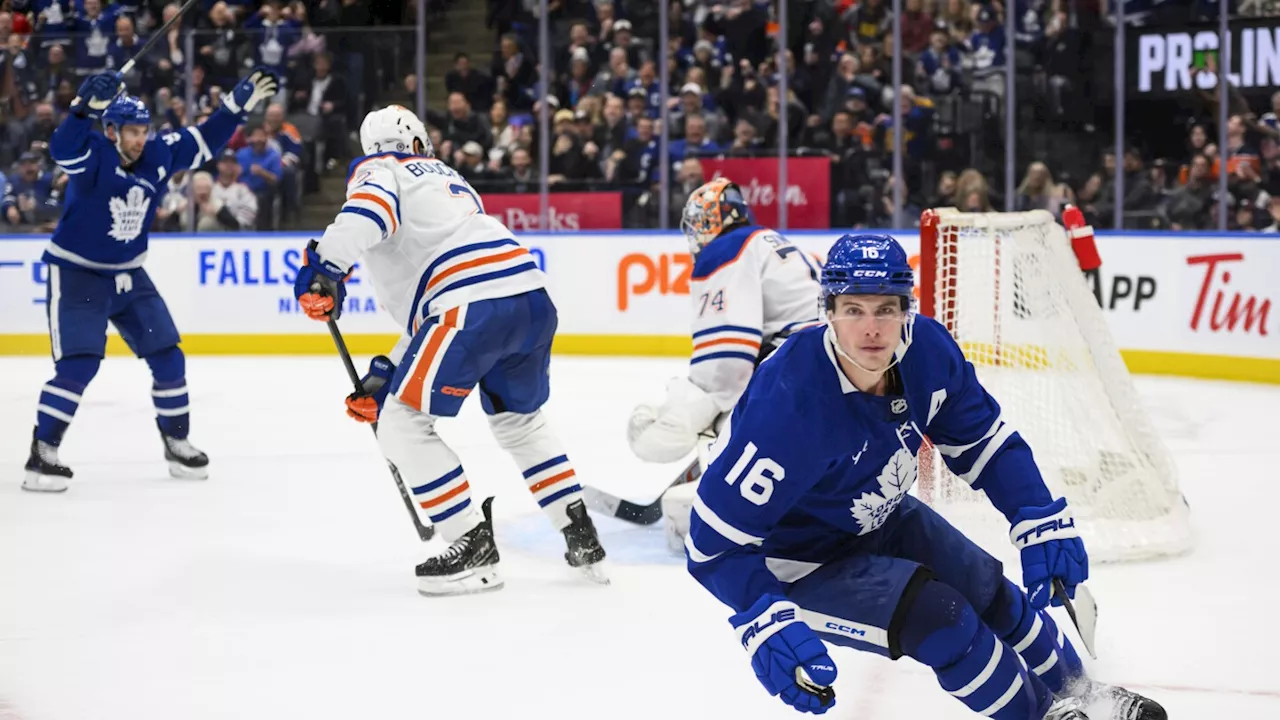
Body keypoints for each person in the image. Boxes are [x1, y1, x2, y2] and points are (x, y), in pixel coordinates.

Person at [683, 234, 1166, 719]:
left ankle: (1087, 696)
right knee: (946, 623)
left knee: (990, 592)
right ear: (827, 311)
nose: (871, 329)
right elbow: (711, 543)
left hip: (879, 514)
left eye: (886, 309)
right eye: (853, 310)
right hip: (800, 563)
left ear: (906, 309)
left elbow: (986, 444)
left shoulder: (928, 353)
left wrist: (1035, 514)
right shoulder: (788, 403)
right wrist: (761, 617)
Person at [292, 105, 607, 596]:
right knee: (520, 423)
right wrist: (386, 373)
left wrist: (325, 268)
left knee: (401, 423)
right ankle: (579, 531)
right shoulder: (449, 180)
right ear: (420, 142)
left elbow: (369, 216)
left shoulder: (380, 170)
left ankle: (471, 546)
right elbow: (436, 306)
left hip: (469, 304)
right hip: (530, 298)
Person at [23, 67, 280, 493]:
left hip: (129, 273)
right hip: (77, 273)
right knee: (78, 366)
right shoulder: (93, 153)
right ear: (111, 131)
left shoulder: (160, 153)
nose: (140, 139)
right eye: (131, 131)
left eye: (144, 130)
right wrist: (82, 109)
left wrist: (236, 106)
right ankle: (42, 453)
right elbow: (62, 147)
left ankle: (176, 442)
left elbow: (204, 139)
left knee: (168, 357)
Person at [626, 177, 822, 551]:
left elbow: (726, 363)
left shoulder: (727, 249)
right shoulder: (767, 241)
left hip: (798, 374)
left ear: (708, 221)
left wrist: (692, 412)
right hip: (825, 368)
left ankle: (724, 509)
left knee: (724, 419)